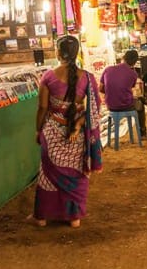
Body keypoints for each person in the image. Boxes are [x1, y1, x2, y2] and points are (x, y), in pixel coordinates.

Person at [31, 36, 102, 228]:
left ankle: (42, 217)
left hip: (52, 131)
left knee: (47, 175)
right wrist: (79, 124)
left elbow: (42, 108)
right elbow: (94, 109)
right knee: (76, 173)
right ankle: (74, 217)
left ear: (58, 52)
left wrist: (39, 130)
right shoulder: (87, 77)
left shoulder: (48, 77)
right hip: (75, 136)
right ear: (77, 52)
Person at [100, 49, 147, 139]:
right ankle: (143, 133)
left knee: (137, 99)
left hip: (110, 105)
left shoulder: (108, 69)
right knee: (140, 106)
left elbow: (101, 88)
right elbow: (129, 87)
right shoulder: (133, 74)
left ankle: (145, 100)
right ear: (135, 62)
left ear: (124, 58)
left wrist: (110, 93)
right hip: (125, 105)